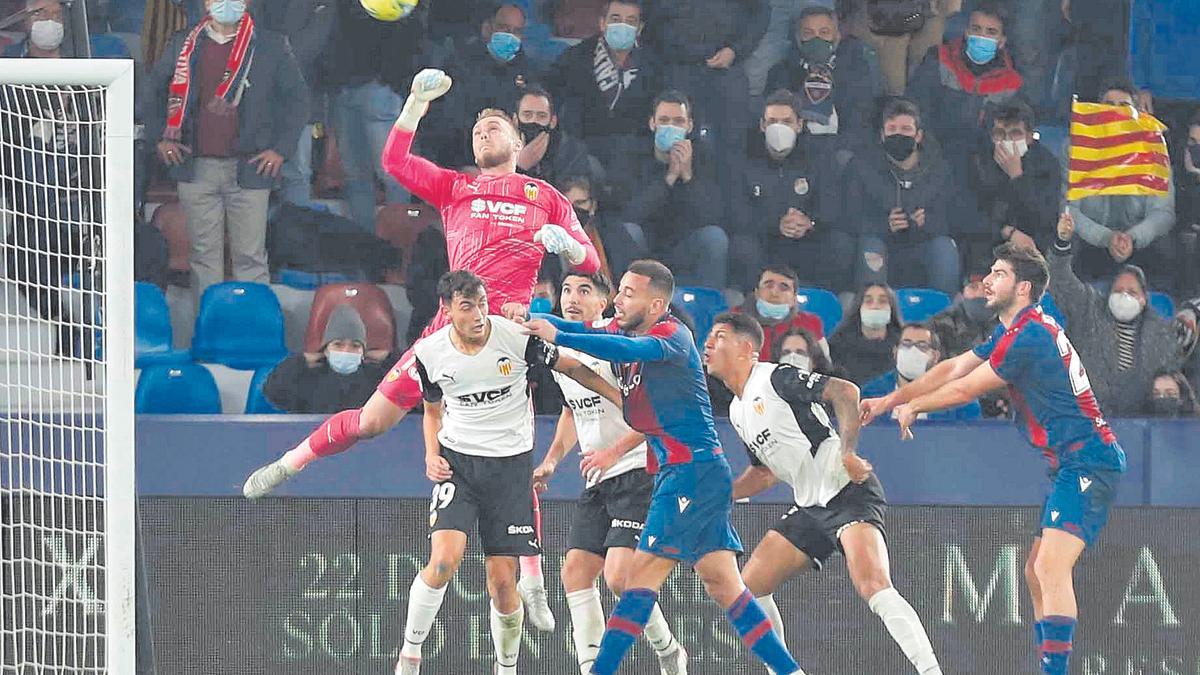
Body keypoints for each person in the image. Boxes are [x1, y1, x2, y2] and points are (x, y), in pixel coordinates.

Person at [242, 68, 600, 627]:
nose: (484, 133)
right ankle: (288, 464)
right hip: (446, 330)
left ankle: (532, 579)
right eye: (478, 129)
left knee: (513, 456)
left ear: (519, 142)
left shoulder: (544, 195)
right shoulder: (457, 187)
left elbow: (592, 262)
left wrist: (569, 248)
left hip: (508, 331)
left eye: (495, 127)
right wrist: (412, 106)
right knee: (372, 422)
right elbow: (395, 165)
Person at [522, 260, 804, 675]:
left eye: (628, 294)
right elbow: (593, 333)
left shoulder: (672, 335)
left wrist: (558, 335)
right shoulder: (628, 328)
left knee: (637, 580)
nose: (618, 300)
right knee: (725, 586)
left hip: (688, 473)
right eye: (618, 291)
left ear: (656, 304)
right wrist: (527, 318)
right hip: (692, 472)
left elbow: (623, 349)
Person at [861, 243, 1127, 675]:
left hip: (1089, 462)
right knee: (1034, 573)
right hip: (1071, 464)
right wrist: (891, 398)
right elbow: (951, 369)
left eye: (998, 273)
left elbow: (967, 389)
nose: (987, 279)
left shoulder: (1031, 336)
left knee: (1049, 566)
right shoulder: (1016, 329)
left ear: (1022, 287)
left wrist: (917, 407)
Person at [393, 270, 621, 675]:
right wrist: (431, 454)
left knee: (501, 583)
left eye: (482, 303)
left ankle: (506, 667)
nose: (479, 314)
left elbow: (573, 368)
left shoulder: (515, 339)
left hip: (511, 469)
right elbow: (431, 410)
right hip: (458, 465)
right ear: (447, 311)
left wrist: (621, 399)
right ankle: (410, 655)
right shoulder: (429, 354)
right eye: (467, 306)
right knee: (444, 561)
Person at [705, 312, 943, 674]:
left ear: (746, 349)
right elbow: (764, 473)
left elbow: (845, 391)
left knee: (874, 585)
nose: (708, 344)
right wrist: (723, 496)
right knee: (750, 588)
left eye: (719, 337)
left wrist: (847, 452)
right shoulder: (738, 410)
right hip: (810, 506)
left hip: (847, 490)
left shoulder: (775, 377)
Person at [530, 272, 688, 675]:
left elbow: (653, 414)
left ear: (606, 303)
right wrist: (552, 460)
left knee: (619, 576)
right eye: (565, 289)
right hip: (599, 478)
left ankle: (668, 649)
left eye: (584, 291)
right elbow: (572, 407)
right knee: (575, 572)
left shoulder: (619, 344)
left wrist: (611, 453)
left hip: (639, 470)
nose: (572, 298)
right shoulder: (559, 348)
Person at [143, 0, 309, 301]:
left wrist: (280, 150)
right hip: (196, 166)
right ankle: (209, 335)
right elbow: (152, 91)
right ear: (206, 2)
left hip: (251, 167)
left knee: (251, 258)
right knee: (203, 259)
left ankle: (254, 334)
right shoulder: (184, 43)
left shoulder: (270, 44)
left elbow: (298, 101)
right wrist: (160, 139)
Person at [1049, 211, 1183, 416]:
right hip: (1086, 417)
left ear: (1143, 299)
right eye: (1118, 291)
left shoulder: (1161, 332)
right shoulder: (1088, 308)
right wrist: (1062, 242)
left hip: (1141, 421)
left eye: (1131, 292)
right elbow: (1060, 280)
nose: (1124, 296)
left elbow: (1170, 375)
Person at [732, 91, 855, 292]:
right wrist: (775, 224)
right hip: (765, 240)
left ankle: (824, 305)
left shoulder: (820, 157)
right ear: (762, 125)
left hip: (807, 240)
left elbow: (833, 205)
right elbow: (738, 213)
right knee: (742, 245)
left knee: (840, 244)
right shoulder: (745, 158)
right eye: (772, 121)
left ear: (799, 125)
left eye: (787, 121)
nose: (778, 127)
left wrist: (810, 222)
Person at [606, 90, 728, 288]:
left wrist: (688, 176)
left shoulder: (705, 157)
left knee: (715, 238)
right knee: (627, 230)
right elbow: (631, 213)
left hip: (684, 244)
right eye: (664, 120)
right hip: (644, 244)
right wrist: (669, 178)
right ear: (652, 123)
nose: (671, 127)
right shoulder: (631, 154)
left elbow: (713, 217)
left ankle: (707, 307)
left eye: (678, 121)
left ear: (689, 126)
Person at [841, 98, 960, 295]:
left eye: (906, 129)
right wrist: (885, 224)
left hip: (923, 244)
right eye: (892, 128)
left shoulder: (939, 169)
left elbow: (954, 218)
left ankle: (945, 316)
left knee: (945, 248)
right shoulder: (862, 167)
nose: (898, 134)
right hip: (880, 243)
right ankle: (871, 312)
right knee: (871, 246)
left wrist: (926, 222)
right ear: (882, 134)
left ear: (918, 135)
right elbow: (850, 217)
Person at [1068, 79, 1177, 289]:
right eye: (1109, 105)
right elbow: (1070, 211)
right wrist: (1107, 238)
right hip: (1094, 241)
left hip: (1140, 243)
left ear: (1136, 111)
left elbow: (1164, 213)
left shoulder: (1153, 146)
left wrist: (1132, 238)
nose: (1115, 112)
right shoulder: (1076, 147)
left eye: (1123, 106)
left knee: (1165, 248)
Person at [906, 1, 1024, 174]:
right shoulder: (939, 59)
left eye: (991, 32)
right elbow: (915, 109)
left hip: (981, 169)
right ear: (966, 32)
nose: (982, 36)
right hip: (932, 161)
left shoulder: (1012, 83)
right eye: (976, 29)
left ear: (1002, 41)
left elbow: (1007, 135)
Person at [545, 0, 660, 169]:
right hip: (579, 161)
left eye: (630, 21)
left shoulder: (654, 68)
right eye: (615, 19)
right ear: (602, 23)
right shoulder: (574, 59)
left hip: (635, 165)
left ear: (640, 28)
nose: (622, 26)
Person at [763, 6, 881, 152]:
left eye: (824, 32)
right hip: (796, 152)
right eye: (808, 33)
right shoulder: (780, 73)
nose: (816, 38)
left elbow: (861, 122)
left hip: (842, 151)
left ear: (836, 37)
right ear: (798, 38)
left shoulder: (856, 71)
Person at [966, 102, 1063, 269]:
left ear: (1030, 137)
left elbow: (1045, 220)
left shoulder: (1047, 165)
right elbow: (968, 215)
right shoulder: (978, 161)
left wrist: (1017, 177)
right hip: (988, 244)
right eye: (1000, 134)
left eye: (1015, 134)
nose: (1006, 141)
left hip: (1032, 245)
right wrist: (1006, 232)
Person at [262, 305, 395, 413]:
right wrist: (300, 360)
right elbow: (273, 393)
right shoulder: (308, 378)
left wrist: (388, 358)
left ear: (364, 352)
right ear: (326, 349)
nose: (346, 351)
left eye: (355, 346)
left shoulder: (376, 379)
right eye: (338, 344)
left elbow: (412, 395)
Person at [861, 322, 982, 420]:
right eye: (906, 344)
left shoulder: (958, 398)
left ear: (935, 356)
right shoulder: (871, 394)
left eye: (922, 346)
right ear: (895, 352)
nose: (913, 350)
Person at [514, 85, 606, 188]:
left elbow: (571, 195)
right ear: (515, 120)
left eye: (541, 116)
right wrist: (519, 167)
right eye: (527, 115)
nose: (534, 121)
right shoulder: (500, 149)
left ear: (553, 122)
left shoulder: (571, 152)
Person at [732, 265, 827, 361]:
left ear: (794, 298)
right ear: (757, 293)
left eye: (784, 287)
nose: (774, 293)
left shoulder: (809, 323)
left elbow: (825, 367)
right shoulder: (735, 321)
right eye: (768, 285)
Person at [828, 283, 903, 384]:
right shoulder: (837, 345)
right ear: (859, 308)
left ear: (891, 308)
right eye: (868, 301)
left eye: (883, 301)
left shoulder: (903, 344)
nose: (875, 306)